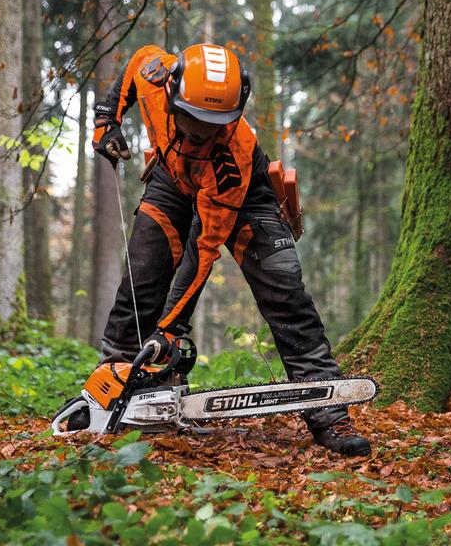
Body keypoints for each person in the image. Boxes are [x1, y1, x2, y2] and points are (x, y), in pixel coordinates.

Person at [87, 42, 370, 456]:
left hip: (242, 196)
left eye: (213, 123)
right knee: (142, 275)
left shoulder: (231, 156)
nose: (201, 132)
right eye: (193, 120)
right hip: (172, 179)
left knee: (284, 291)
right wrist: (105, 121)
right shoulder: (154, 74)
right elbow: (132, 68)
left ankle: (329, 414)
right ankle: (109, 392)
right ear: (170, 91)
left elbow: (203, 252)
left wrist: (170, 330)